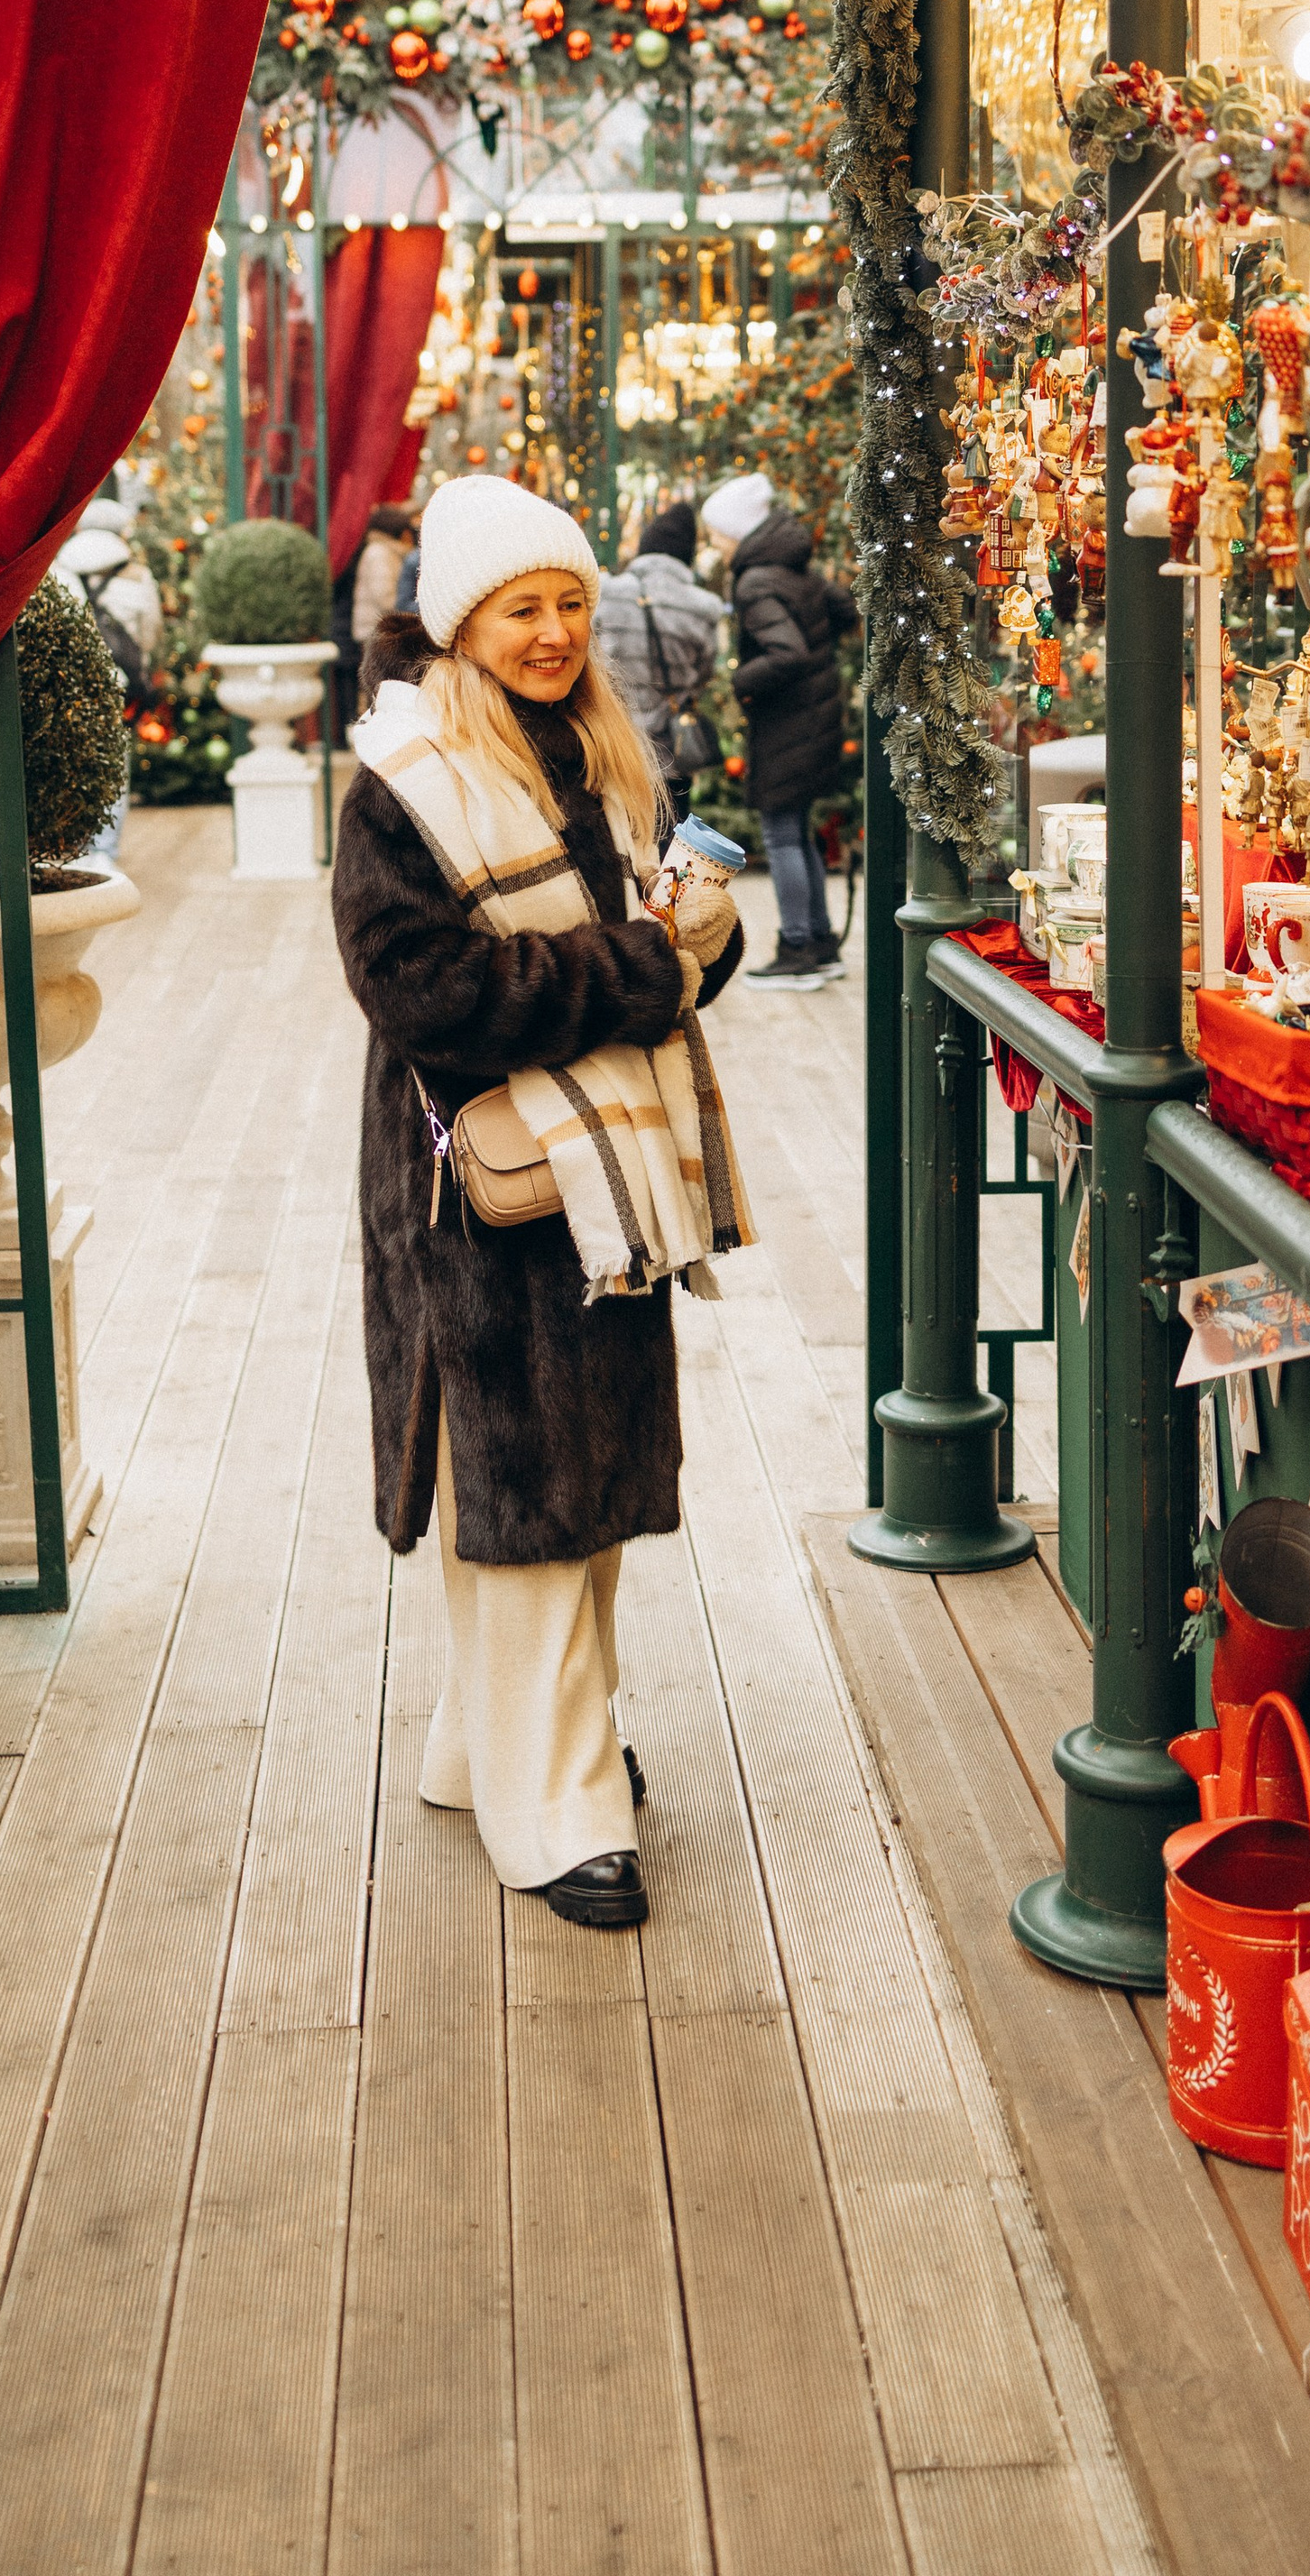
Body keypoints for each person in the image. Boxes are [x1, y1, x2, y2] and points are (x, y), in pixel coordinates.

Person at [332, 478, 750, 1931]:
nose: (559, 630)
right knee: (525, 1499)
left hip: (602, 1186)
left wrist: (703, 938)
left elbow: (659, 946)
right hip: (482, 1196)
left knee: (584, 1496)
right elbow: (420, 990)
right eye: (526, 609)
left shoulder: (591, 750)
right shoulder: (406, 778)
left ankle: (492, 1747)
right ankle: (556, 1808)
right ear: (464, 623)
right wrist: (639, 972)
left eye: (570, 600)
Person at [704, 474, 858, 990]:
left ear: (739, 532)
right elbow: (843, 610)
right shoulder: (795, 573)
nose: (714, 544)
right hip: (811, 720)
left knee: (781, 833)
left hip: (787, 724)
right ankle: (818, 941)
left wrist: (740, 681)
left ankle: (798, 949)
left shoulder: (755, 582)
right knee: (797, 831)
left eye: (718, 534)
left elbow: (785, 653)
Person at [591, 500, 728, 818]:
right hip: (671, 747)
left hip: (614, 742)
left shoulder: (606, 594)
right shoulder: (701, 607)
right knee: (671, 843)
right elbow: (704, 673)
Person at [334, 501, 417, 683]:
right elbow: (386, 597)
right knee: (379, 684)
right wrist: (408, 606)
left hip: (373, 628)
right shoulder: (380, 553)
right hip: (375, 628)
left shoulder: (382, 551)